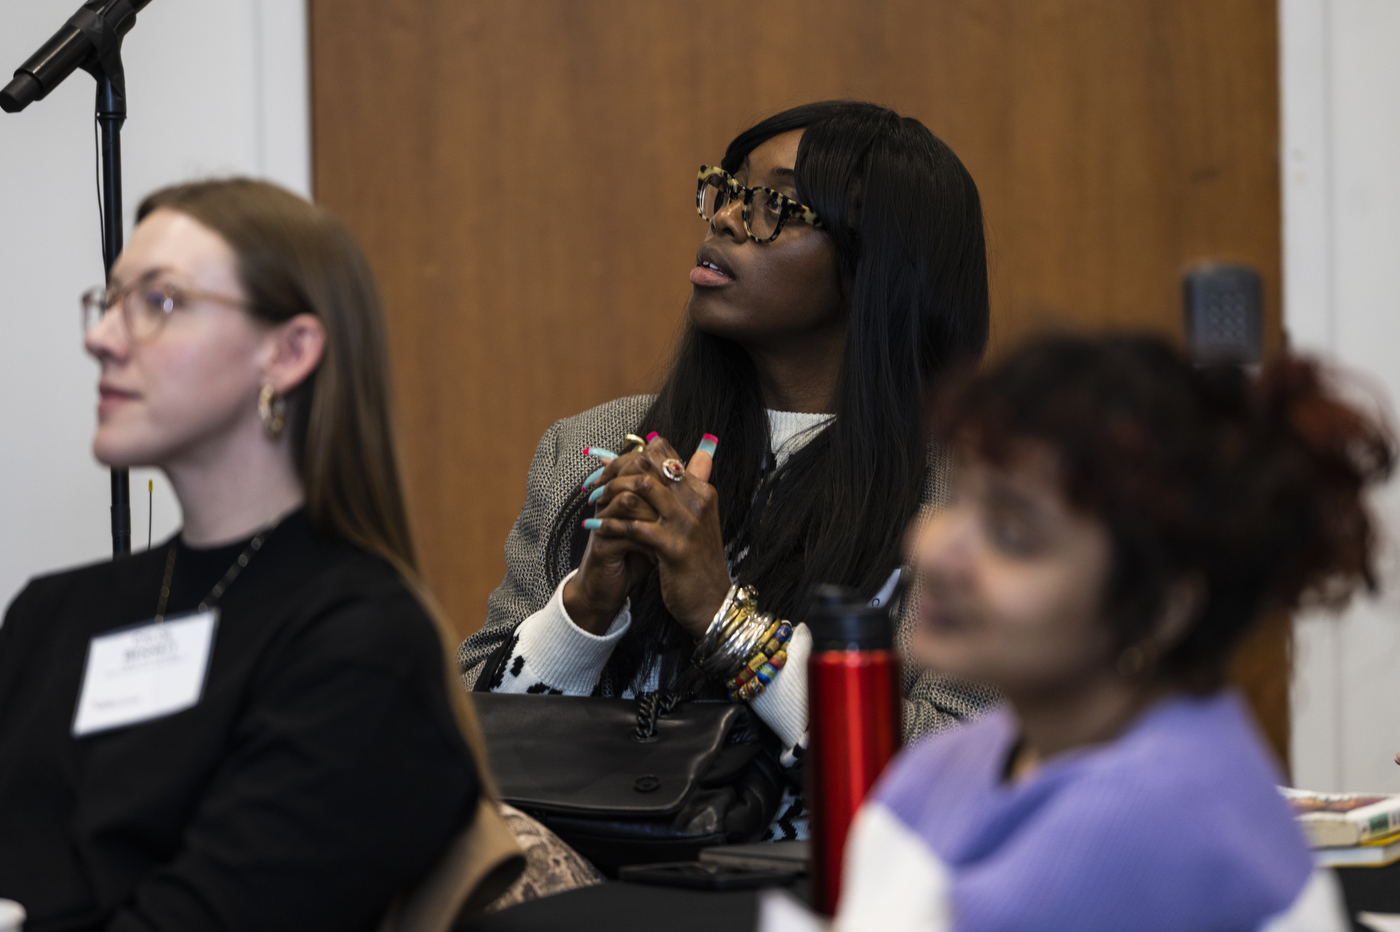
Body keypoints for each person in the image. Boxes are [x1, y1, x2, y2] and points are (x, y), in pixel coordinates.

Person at [459, 100, 996, 838]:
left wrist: (725, 617)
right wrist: (586, 609)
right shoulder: (592, 446)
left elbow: (967, 776)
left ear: (879, 265)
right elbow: (469, 744)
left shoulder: (972, 498)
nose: (727, 219)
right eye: (728, 190)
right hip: (584, 880)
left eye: (775, 204)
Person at [0, 179, 495, 932]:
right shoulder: (50, 615)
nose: (100, 337)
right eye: (110, 302)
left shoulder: (362, 647)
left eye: (159, 302)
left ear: (290, 352)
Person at [826, 334, 1392, 931]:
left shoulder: (1143, 821)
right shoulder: (965, 757)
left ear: (1158, 610)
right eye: (957, 499)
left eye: (1013, 536)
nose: (938, 552)